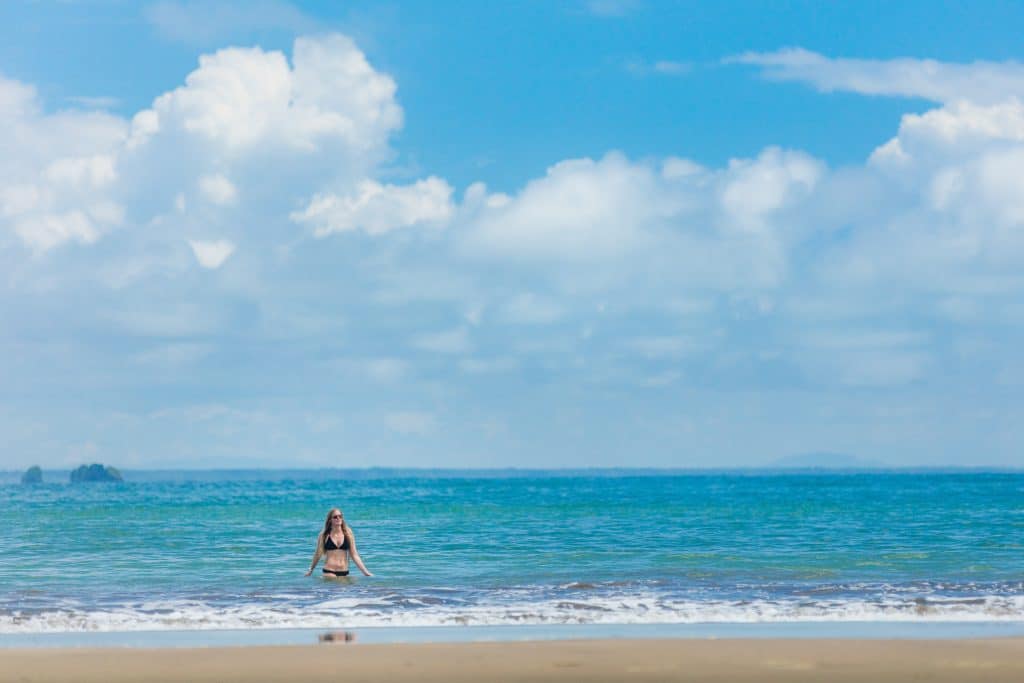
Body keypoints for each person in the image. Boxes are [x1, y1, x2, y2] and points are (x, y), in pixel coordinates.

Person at [305, 507, 374, 578]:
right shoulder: (324, 535)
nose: (338, 518)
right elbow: (318, 554)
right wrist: (311, 570)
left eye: (340, 516)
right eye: (335, 517)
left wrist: (366, 572)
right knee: (334, 587)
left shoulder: (348, 533)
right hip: (329, 571)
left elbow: (354, 555)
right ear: (330, 520)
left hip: (344, 571)